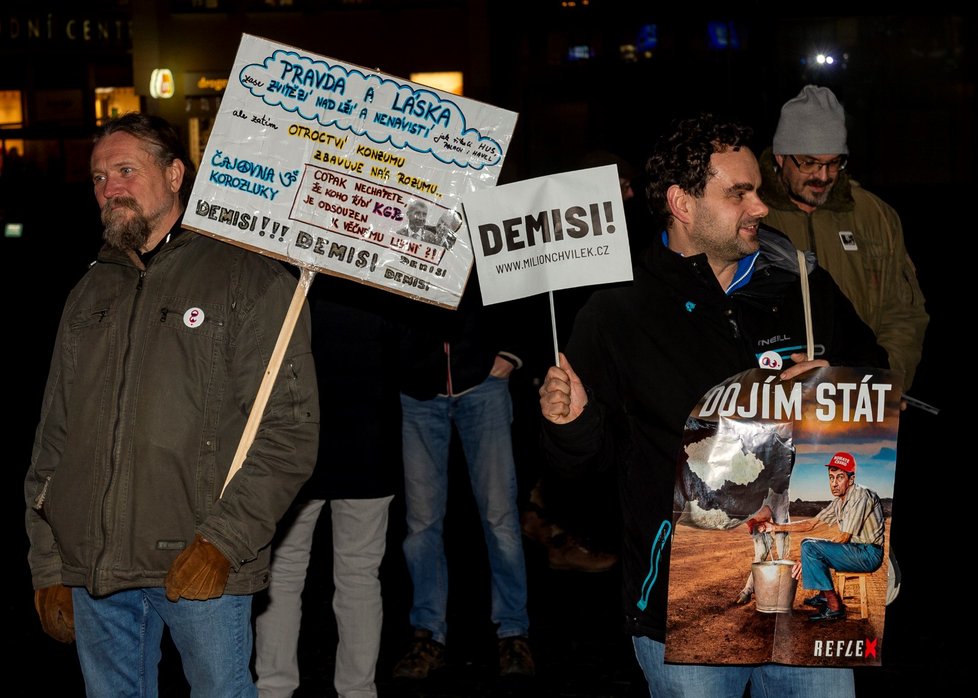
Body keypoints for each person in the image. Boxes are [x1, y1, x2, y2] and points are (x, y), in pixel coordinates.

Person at [538, 113, 887, 696]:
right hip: (686, 601)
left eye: (757, 189)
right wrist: (570, 424)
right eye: (739, 193)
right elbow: (579, 470)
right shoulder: (619, 313)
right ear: (682, 202)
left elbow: (874, 384)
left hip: (804, 591)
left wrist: (834, 389)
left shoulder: (800, 284)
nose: (760, 208)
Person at [24, 112, 319, 696]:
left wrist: (224, 542)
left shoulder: (249, 278)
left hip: (196, 563)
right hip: (94, 574)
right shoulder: (89, 292)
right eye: (99, 178)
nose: (110, 189)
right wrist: (50, 564)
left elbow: (289, 432)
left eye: (126, 170)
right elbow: (53, 440)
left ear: (176, 173)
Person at [254, 277, 402, 698]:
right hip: (351, 444)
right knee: (352, 577)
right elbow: (413, 359)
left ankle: (276, 689)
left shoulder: (288, 264)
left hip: (304, 440)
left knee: (286, 576)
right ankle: (350, 691)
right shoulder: (383, 271)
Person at [392, 275, 535, 680]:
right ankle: (427, 634)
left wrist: (513, 351)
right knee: (421, 524)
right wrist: (399, 359)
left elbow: (523, 267)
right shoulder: (402, 212)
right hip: (418, 388)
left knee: (500, 517)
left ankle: (513, 632)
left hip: (483, 381)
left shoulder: (482, 211)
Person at [758, 84, 929, 391]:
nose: (822, 176)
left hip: (858, 398)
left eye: (834, 163)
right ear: (782, 156)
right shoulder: (751, 213)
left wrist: (885, 383)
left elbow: (903, 315)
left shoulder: (875, 216)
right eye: (809, 162)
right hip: (770, 399)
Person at [758, 451, 885, 622]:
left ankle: (834, 607)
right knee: (809, 545)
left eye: (840, 477)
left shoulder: (860, 496)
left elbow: (844, 537)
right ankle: (824, 595)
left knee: (810, 548)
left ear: (851, 479)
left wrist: (807, 557)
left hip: (869, 554)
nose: (834, 483)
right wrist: (775, 527)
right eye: (831, 477)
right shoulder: (839, 502)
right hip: (856, 550)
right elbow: (811, 524)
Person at [734, 491, 790, 605]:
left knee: (780, 552)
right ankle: (748, 590)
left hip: (771, 496)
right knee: (762, 553)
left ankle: (781, 596)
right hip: (751, 505)